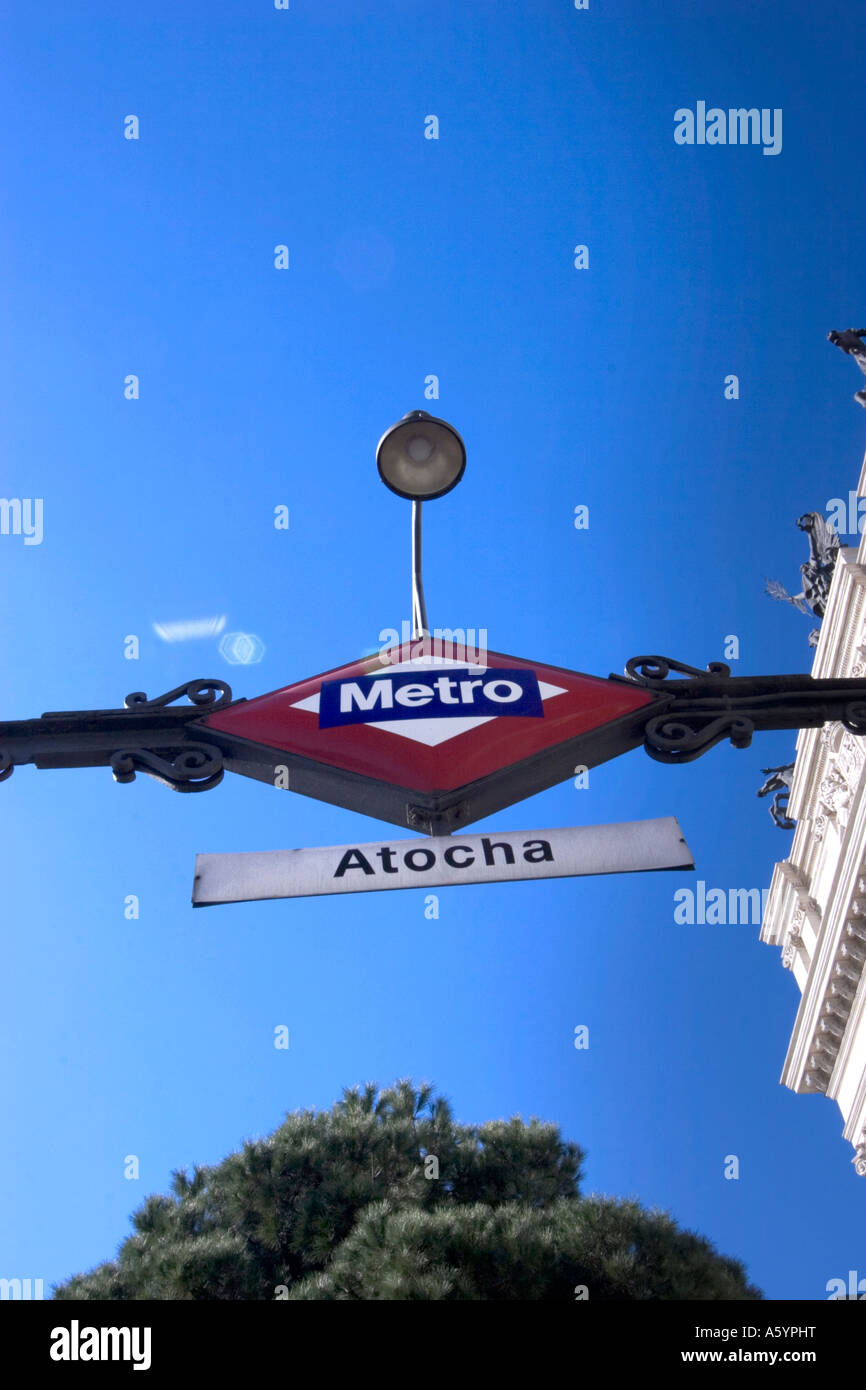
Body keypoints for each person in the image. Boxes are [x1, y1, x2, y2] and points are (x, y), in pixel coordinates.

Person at [828, 328, 866, 405]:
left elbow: (861, 332)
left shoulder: (847, 333)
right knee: (858, 395)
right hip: (858, 352)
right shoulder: (857, 353)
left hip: (859, 350)